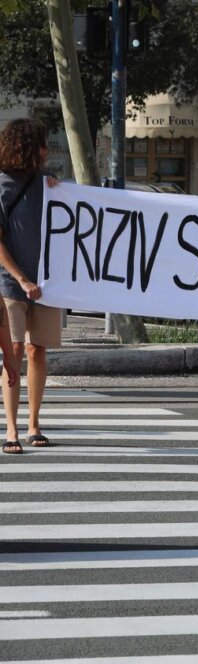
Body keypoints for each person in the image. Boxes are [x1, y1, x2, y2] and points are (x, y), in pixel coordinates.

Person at [0, 119, 54, 455]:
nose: (47, 150)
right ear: (28, 147)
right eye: (43, 144)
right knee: (14, 352)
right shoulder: (3, 186)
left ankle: (35, 424)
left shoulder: (47, 184)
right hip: (10, 283)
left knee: (38, 350)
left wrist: (61, 190)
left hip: (48, 284)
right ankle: (11, 428)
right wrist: (21, 278)